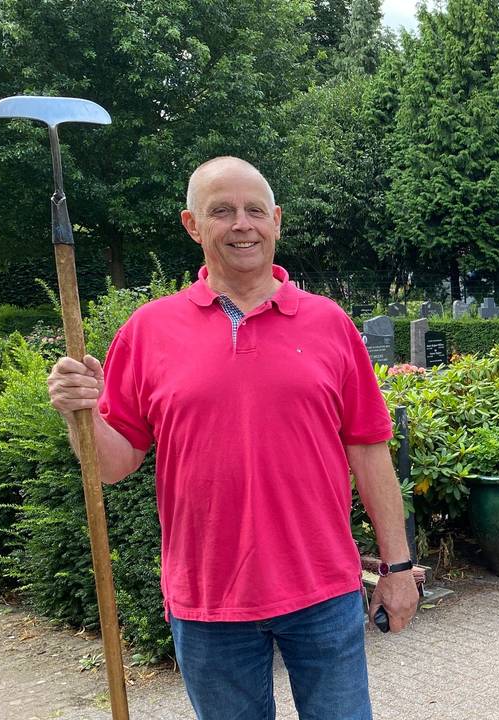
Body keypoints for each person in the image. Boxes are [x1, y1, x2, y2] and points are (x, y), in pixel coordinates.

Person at [46, 156, 418, 720]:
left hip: (323, 590)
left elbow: (368, 450)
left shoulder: (330, 324)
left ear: (277, 221)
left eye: (254, 211)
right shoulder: (147, 331)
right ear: (193, 225)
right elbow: (113, 465)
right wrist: (83, 414)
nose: (241, 224)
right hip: (207, 600)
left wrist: (397, 568)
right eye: (221, 211)